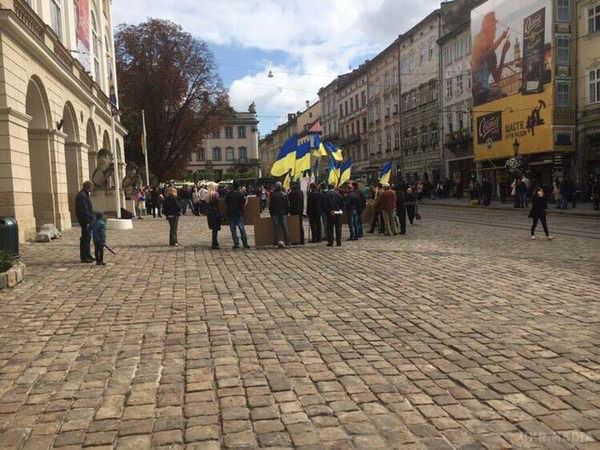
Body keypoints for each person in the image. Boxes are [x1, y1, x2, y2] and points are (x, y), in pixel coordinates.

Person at [225, 181, 250, 249]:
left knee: (233, 230)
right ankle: (245, 243)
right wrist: (247, 199)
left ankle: (236, 243)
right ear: (239, 187)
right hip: (239, 213)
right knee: (242, 229)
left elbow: (226, 202)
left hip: (231, 213)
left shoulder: (229, 194)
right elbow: (244, 204)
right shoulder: (241, 194)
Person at [75, 180, 95, 263]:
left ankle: (87, 254)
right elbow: (84, 210)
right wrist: (87, 222)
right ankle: (84, 256)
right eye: (91, 187)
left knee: (87, 238)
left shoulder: (84, 194)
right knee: (85, 238)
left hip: (87, 220)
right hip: (84, 221)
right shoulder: (82, 196)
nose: (92, 189)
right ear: (88, 187)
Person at [269, 181, 290, 247]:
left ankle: (275, 242)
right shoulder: (284, 194)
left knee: (276, 228)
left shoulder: (273, 195)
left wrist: (271, 213)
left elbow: (271, 205)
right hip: (283, 213)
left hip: (275, 213)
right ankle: (287, 242)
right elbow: (287, 205)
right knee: (285, 228)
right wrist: (286, 212)